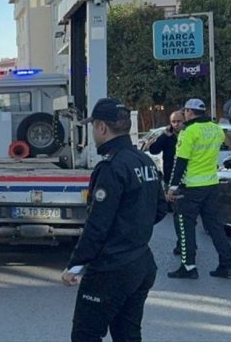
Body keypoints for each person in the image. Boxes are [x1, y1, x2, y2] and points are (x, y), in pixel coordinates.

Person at [62, 98, 168, 342]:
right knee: (128, 334)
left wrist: (76, 265)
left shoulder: (111, 167)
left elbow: (97, 225)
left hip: (111, 269)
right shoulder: (144, 161)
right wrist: (133, 226)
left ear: (101, 128)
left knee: (85, 335)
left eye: (93, 127)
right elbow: (160, 208)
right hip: (141, 263)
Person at [166, 98, 231, 279]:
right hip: (211, 185)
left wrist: (172, 188)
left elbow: (180, 162)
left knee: (186, 225)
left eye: (185, 112)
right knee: (215, 226)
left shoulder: (188, 132)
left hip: (191, 187)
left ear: (189, 112)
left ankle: (188, 267)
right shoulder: (216, 129)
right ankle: (226, 264)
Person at [148, 110, 186, 255]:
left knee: (182, 215)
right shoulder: (168, 136)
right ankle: (183, 243)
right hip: (170, 178)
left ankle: (185, 245)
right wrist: (164, 136)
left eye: (179, 121)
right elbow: (153, 150)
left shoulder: (188, 135)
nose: (176, 124)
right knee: (179, 213)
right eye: (173, 121)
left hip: (186, 180)